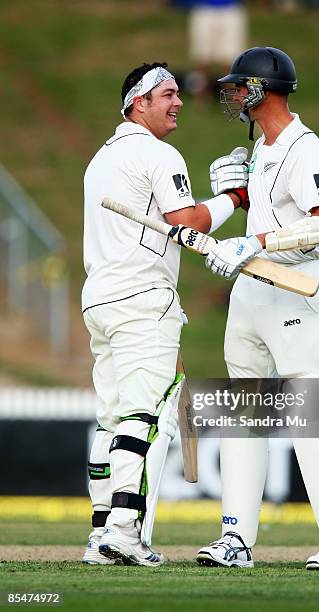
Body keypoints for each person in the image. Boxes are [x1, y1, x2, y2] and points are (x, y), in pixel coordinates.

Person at [195, 47, 319, 570]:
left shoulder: (303, 147)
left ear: (260, 90)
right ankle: (236, 539)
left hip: (297, 290)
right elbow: (261, 213)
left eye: (238, 86)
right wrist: (237, 207)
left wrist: (257, 241)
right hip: (252, 295)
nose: (231, 95)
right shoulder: (260, 149)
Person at [81, 61, 249, 566]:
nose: (178, 103)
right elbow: (188, 222)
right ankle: (124, 533)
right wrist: (234, 198)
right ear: (140, 102)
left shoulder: (100, 159)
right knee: (142, 417)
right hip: (142, 299)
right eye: (168, 94)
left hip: (101, 299)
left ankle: (100, 532)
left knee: (110, 420)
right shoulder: (158, 153)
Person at [186, 0, 248, 100]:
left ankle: (232, 99)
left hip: (231, 9)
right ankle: (201, 98)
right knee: (202, 58)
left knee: (231, 59)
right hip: (203, 8)